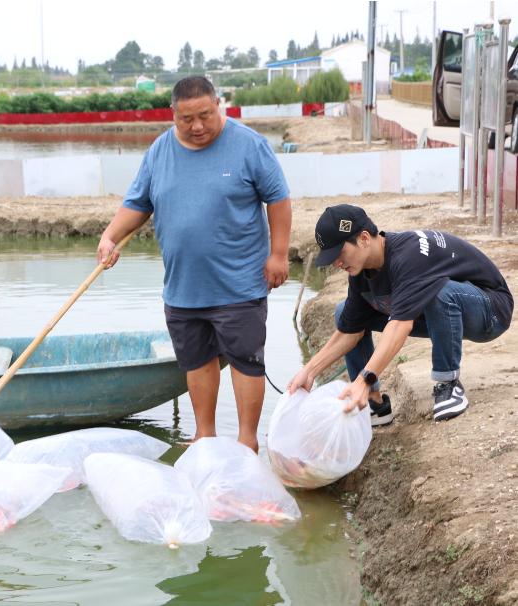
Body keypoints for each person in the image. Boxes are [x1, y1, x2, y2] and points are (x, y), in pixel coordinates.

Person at [96, 76, 292, 452]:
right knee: (197, 361)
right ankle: (204, 435)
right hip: (184, 285)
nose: (198, 126)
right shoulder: (159, 151)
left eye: (205, 114)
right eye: (187, 118)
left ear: (219, 104)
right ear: (173, 114)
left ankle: (247, 441)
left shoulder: (249, 146)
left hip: (239, 282)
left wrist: (278, 254)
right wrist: (109, 236)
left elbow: (278, 199)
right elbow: (137, 204)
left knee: (245, 362)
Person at [288, 204, 513, 423]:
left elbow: (400, 326)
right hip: (442, 314)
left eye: (340, 253)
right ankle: (374, 403)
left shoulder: (410, 256)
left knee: (437, 291)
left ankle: (449, 384)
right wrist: (309, 371)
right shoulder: (360, 275)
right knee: (343, 312)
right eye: (331, 258)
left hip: (490, 310)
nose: (337, 262)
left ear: (364, 238)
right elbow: (350, 331)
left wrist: (363, 379)